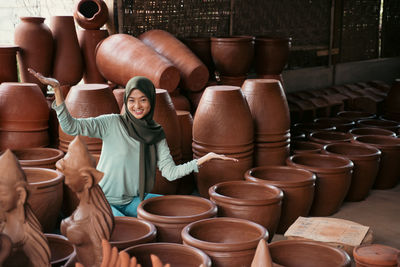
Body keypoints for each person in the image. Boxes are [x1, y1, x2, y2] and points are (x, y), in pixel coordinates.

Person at [29, 69, 238, 217]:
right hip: (102, 198)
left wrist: (203, 160)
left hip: (132, 198)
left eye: (143, 100)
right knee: (120, 229)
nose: (137, 106)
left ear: (151, 102)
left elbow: (169, 172)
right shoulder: (111, 122)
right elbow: (71, 127)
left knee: (167, 210)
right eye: (132, 100)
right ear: (126, 101)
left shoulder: (156, 133)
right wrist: (57, 91)